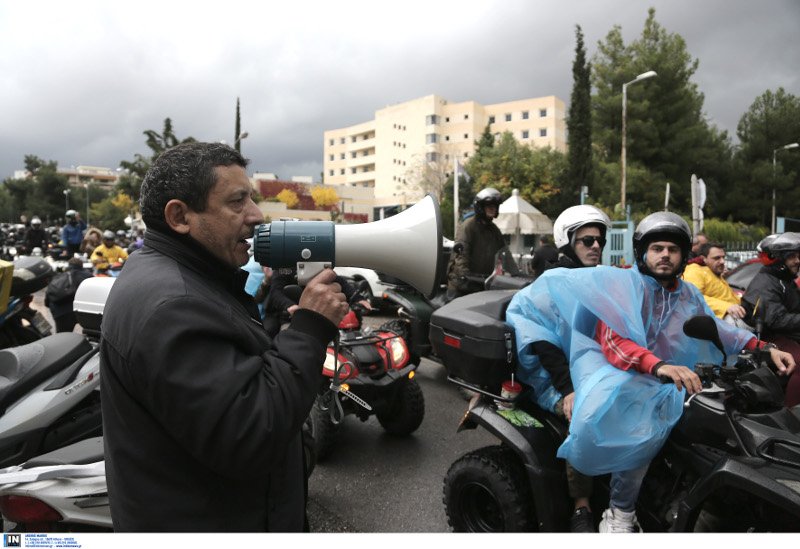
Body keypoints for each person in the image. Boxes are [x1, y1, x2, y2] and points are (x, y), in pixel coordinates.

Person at [99, 142, 349, 532]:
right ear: (180, 216)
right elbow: (250, 434)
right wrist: (310, 330)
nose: (255, 215)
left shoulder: (176, 274)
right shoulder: (173, 306)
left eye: (251, 199)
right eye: (237, 202)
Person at [507, 212, 794, 533]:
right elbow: (615, 343)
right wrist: (659, 366)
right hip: (614, 371)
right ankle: (618, 514)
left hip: (664, 375)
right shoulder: (625, 286)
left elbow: (718, 330)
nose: (665, 255)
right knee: (638, 429)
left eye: (672, 249)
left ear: (684, 255)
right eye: (657, 248)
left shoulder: (687, 293)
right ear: (643, 252)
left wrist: (763, 347)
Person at [506, 203, 611, 532]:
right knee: (583, 417)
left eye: (599, 241)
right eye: (587, 241)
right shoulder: (554, 282)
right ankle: (581, 506)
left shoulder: (596, 279)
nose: (595, 246)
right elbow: (543, 342)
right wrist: (568, 389)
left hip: (593, 371)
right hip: (552, 380)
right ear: (568, 242)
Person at [741, 231, 800, 407]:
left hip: (787, 334)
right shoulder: (766, 283)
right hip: (771, 338)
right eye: (792, 257)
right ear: (778, 259)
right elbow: (776, 319)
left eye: (799, 256)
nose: (797, 261)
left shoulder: (783, 280)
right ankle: (792, 415)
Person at [446, 187, 506, 298]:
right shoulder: (468, 226)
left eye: (495, 206)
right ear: (480, 207)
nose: (493, 209)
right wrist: (466, 275)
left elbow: (504, 253)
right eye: (489, 206)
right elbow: (461, 256)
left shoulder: (494, 230)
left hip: (481, 284)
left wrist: (516, 273)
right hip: (461, 286)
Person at [682, 241, 749, 327]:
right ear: (703, 259)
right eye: (717, 258)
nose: (722, 261)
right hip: (717, 327)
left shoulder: (713, 271)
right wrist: (726, 307)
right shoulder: (694, 271)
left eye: (723, 257)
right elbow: (692, 298)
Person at [44, 257, 93, 332]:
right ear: (82, 265)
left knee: (62, 337)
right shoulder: (89, 276)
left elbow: (47, 301)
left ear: (68, 265)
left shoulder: (58, 277)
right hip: (82, 311)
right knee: (92, 333)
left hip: (60, 312)